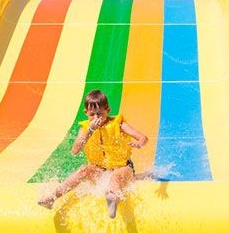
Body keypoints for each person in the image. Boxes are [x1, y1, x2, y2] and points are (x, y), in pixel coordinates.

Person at [38, 90, 148, 218]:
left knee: (116, 177)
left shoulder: (119, 124)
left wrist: (139, 143)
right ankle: (52, 197)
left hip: (123, 168)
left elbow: (143, 138)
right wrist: (90, 130)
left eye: (100, 114)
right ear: (86, 112)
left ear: (107, 110)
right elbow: (75, 150)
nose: (96, 118)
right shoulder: (85, 129)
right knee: (83, 170)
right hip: (99, 171)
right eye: (92, 114)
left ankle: (112, 200)